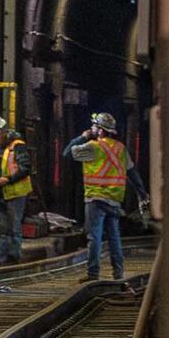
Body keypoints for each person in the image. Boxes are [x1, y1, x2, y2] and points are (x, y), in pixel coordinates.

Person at [67, 110, 128, 282]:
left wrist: (84, 137)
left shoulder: (93, 147)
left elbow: (68, 152)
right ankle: (118, 273)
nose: (92, 128)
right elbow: (130, 171)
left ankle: (93, 273)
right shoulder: (120, 148)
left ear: (100, 130)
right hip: (114, 199)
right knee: (114, 237)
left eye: (94, 126)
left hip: (96, 198)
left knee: (94, 237)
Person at [0, 114, 33, 264]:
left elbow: (25, 168)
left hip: (15, 193)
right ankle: (2, 261)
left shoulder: (17, 145)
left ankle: (14, 259)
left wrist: (8, 179)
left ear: (3, 132)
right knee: (2, 230)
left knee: (14, 229)